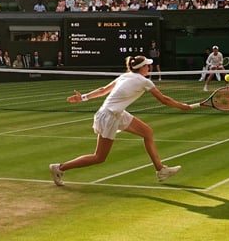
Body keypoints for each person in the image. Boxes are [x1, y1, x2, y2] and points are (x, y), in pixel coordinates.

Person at [49, 55, 191, 186]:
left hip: (117, 113)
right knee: (99, 157)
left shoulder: (125, 76)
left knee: (147, 132)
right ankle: (60, 168)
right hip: (109, 116)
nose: (149, 67)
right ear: (141, 68)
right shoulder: (144, 81)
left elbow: (103, 90)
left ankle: (161, 170)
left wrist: (83, 98)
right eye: (147, 65)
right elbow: (164, 100)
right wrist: (183, 106)